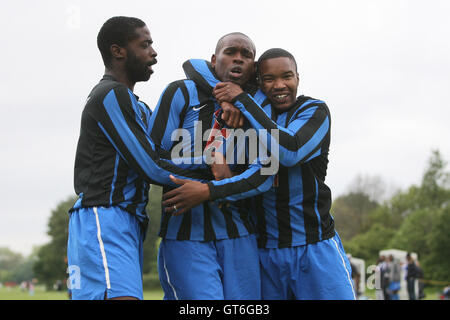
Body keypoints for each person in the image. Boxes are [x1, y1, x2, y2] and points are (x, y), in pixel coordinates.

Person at [182, 48, 356, 299]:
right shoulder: (251, 115)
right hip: (264, 253)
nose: (280, 85)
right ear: (258, 81)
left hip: (315, 248)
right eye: (269, 79)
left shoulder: (313, 110)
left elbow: (290, 151)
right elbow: (193, 65)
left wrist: (241, 99)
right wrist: (225, 98)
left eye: (287, 76)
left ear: (298, 77)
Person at [67, 16, 217, 300]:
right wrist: (215, 175)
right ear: (118, 51)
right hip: (104, 216)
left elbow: (160, 155)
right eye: (145, 44)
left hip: (127, 220)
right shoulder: (109, 95)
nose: (154, 52)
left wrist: (213, 162)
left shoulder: (138, 106)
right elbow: (152, 167)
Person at [150, 32, 274, 299]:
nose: (238, 59)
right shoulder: (180, 92)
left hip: (241, 234)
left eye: (247, 54)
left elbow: (265, 172)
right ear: (214, 60)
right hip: (185, 233)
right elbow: (150, 159)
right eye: (231, 52)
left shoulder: (260, 107)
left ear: (254, 66)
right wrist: (208, 165)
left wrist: (220, 181)